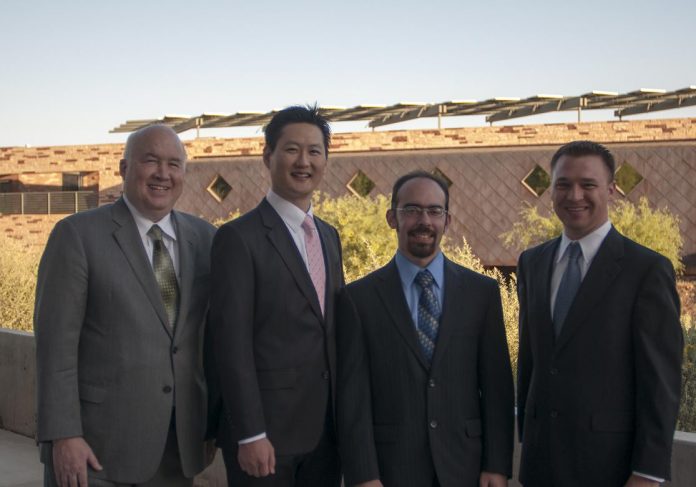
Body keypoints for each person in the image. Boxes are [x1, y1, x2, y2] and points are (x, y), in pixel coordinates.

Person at [34, 124, 216, 487]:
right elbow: (56, 348)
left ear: (184, 173)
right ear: (123, 168)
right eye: (150, 161)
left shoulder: (206, 238)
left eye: (174, 164)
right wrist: (63, 435)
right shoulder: (77, 236)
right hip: (96, 450)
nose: (163, 174)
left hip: (177, 448)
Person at [516, 140, 684, 487]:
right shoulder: (532, 263)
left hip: (610, 469)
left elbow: (660, 382)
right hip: (539, 467)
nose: (574, 195)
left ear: (611, 190)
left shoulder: (646, 270)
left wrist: (647, 473)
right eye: (563, 184)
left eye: (587, 184)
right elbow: (531, 363)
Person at [337, 171, 514, 487]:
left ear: (447, 221)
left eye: (435, 211)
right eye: (412, 210)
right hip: (391, 469)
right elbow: (353, 397)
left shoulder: (481, 293)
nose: (424, 220)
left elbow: (497, 387)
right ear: (392, 217)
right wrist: (364, 475)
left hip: (466, 467)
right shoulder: (358, 298)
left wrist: (497, 465)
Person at [210, 105, 344, 487]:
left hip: (325, 433)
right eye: (292, 150)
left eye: (315, 151)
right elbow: (230, 343)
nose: (304, 162)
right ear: (268, 156)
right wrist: (250, 433)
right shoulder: (238, 238)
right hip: (266, 437)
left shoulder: (329, 237)